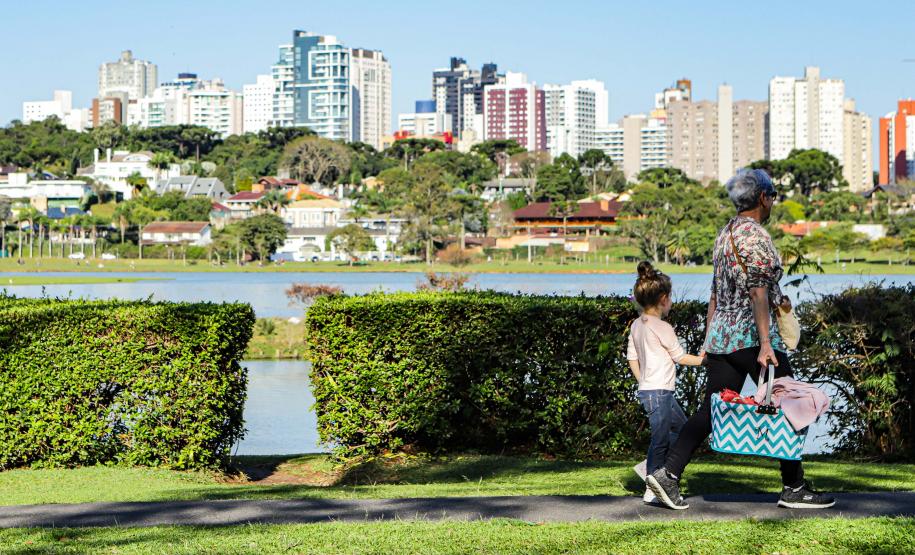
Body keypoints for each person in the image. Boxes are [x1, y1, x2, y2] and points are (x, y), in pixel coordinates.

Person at [646, 169, 835, 510]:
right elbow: (757, 291)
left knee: (712, 408)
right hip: (752, 337)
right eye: (773, 196)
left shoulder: (725, 235)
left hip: (723, 336)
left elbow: (716, 294)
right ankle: (794, 487)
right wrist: (765, 343)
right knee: (787, 400)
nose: (773, 202)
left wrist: (708, 339)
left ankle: (667, 475)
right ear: (764, 198)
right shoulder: (757, 237)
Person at [627, 261, 705, 504]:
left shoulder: (637, 324)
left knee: (683, 431)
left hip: (655, 390)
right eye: (670, 297)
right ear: (663, 299)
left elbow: (632, 358)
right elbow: (679, 357)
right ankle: (652, 485)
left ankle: (649, 468)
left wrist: (643, 382)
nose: (671, 302)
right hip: (658, 390)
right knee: (660, 440)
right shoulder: (663, 327)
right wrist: (704, 361)